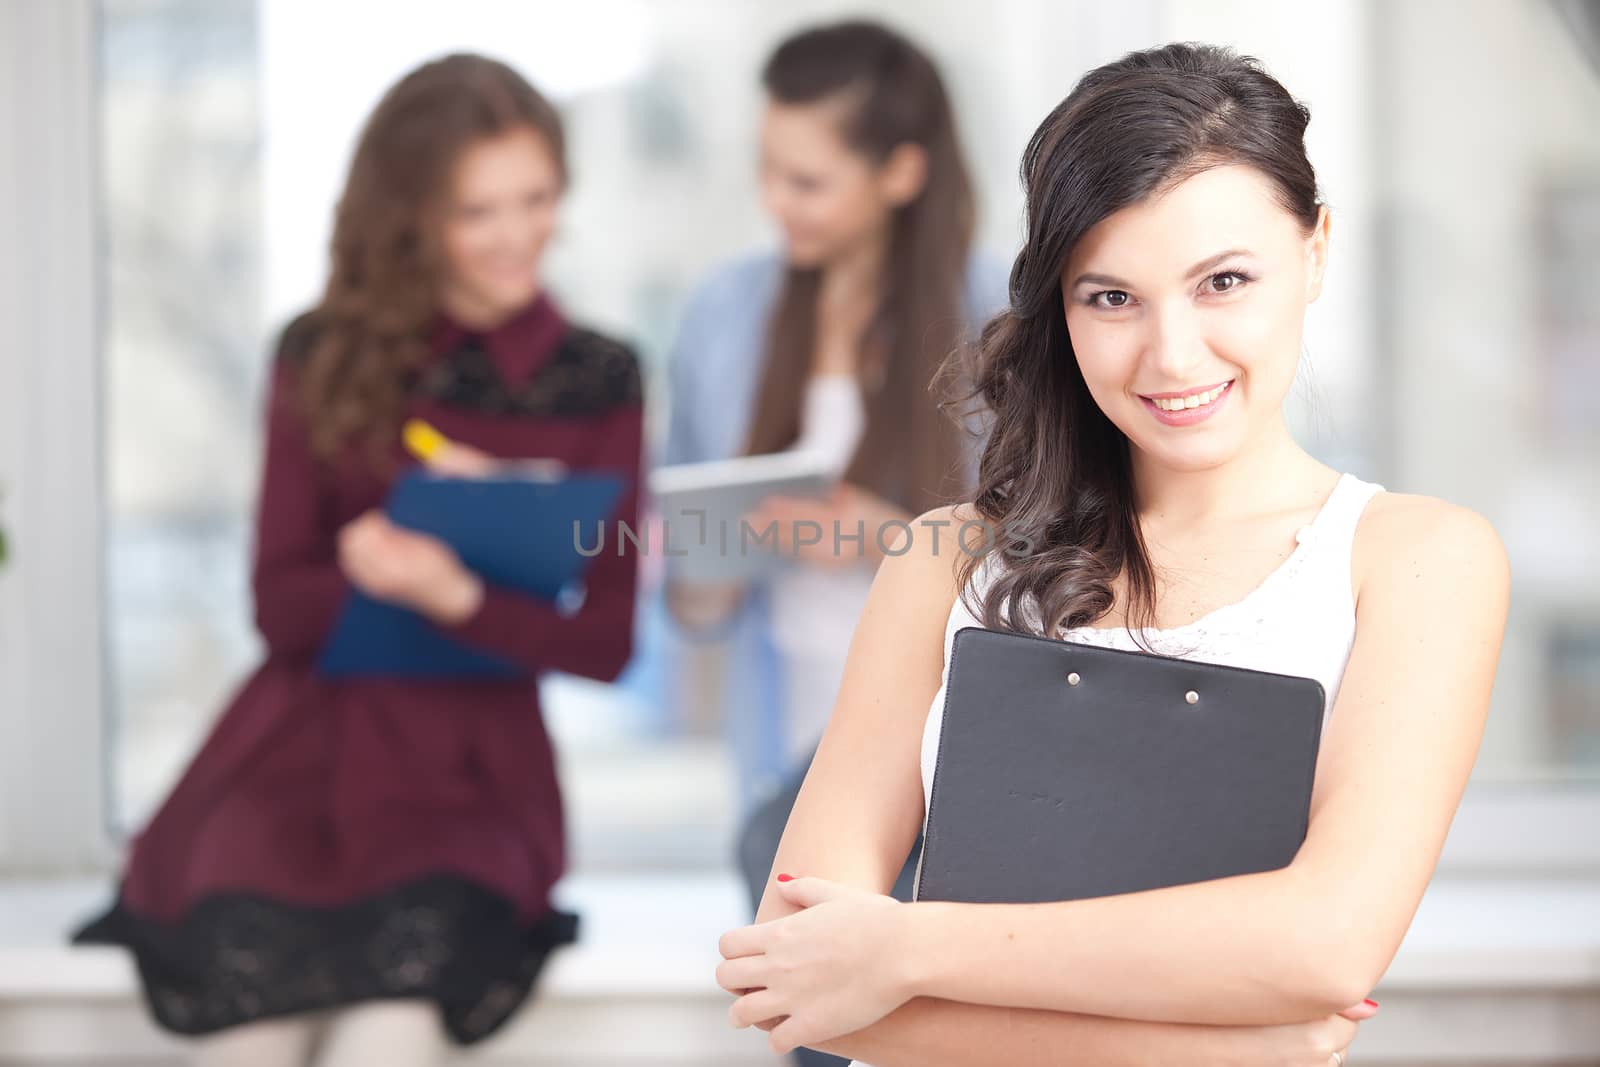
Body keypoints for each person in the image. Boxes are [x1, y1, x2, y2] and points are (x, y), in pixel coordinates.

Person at [715, 42, 1510, 1067]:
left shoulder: (1415, 559)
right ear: (1060, 305)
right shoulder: (944, 559)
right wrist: (1231, 1040)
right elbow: (795, 973)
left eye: (1222, 281)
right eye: (1110, 297)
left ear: (1314, 252)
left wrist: (904, 946)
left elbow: (1324, 943)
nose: (1171, 355)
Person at [73, 53, 643, 1067]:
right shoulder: (320, 350)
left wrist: (458, 590)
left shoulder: (598, 376)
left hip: (471, 782)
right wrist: (371, 568)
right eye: (479, 211)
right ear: (413, 215)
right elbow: (276, 603)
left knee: (390, 1036)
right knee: (241, 1043)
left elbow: (603, 638)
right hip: (293, 762)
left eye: (539, 198)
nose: (519, 235)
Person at [658, 21, 1005, 963]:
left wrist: (891, 541)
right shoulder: (727, 313)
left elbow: (1055, 572)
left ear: (900, 172)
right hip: (781, 741)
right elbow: (688, 594)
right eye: (768, 170)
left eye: (807, 181)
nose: (777, 202)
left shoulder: (1000, 325)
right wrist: (701, 562)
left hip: (952, 756)